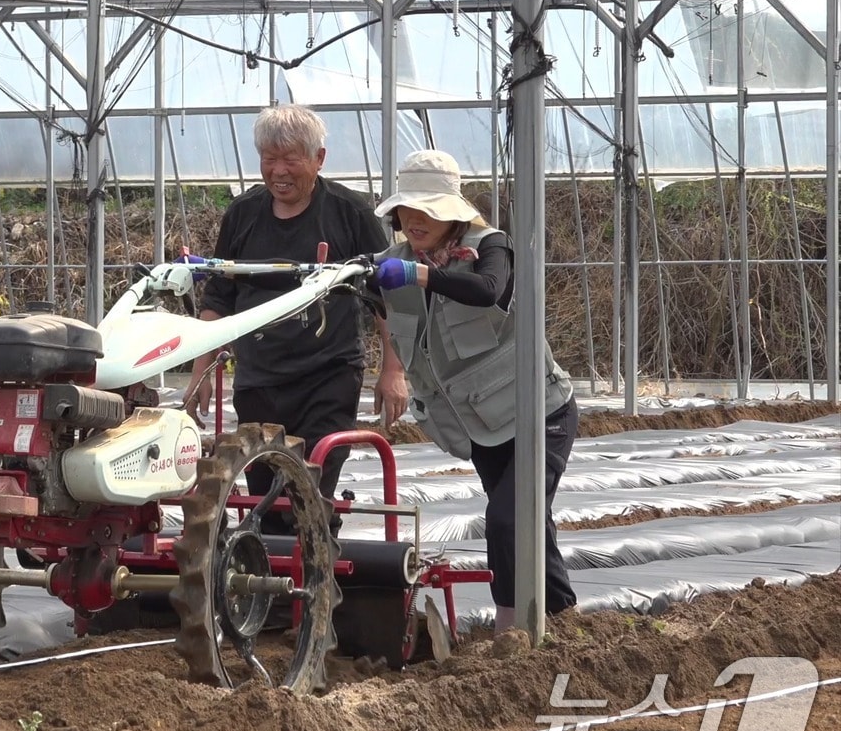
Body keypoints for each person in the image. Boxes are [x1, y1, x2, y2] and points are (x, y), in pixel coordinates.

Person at [370, 149, 578, 631]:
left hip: (540, 413)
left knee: (506, 521)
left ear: (452, 213)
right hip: (482, 425)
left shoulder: (490, 246)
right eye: (408, 210)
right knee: (529, 525)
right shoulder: (394, 261)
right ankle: (566, 620)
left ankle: (510, 629)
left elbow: (489, 289)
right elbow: (378, 305)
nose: (416, 220)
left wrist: (421, 275)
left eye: (429, 210)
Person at [182, 103, 400, 534]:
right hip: (260, 379)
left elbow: (386, 298)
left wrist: (392, 370)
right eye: (268, 158)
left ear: (318, 159)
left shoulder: (349, 213)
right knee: (263, 503)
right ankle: (270, 590)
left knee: (308, 491)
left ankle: (312, 586)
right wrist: (200, 371)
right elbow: (219, 298)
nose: (278, 170)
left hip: (328, 377)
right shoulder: (243, 215)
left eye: (290, 158)